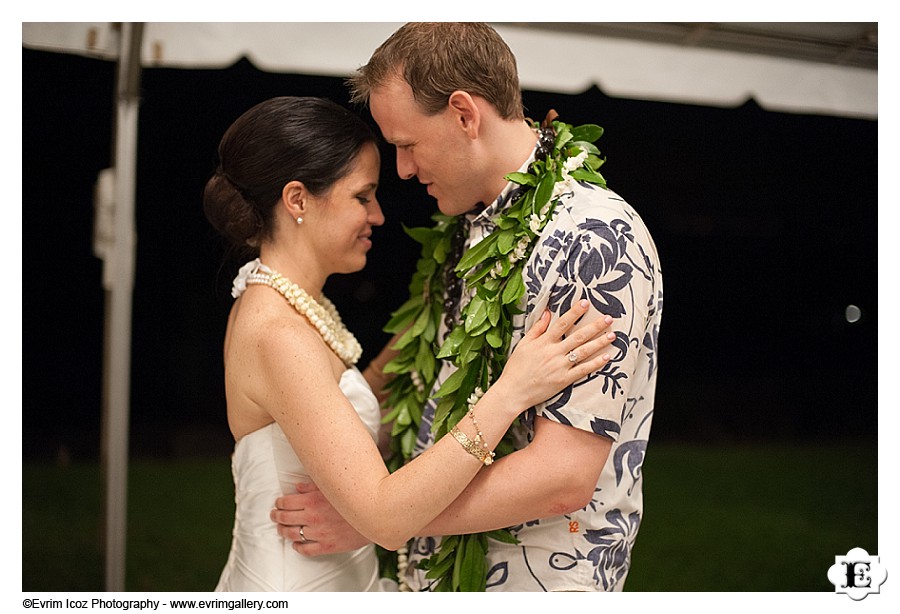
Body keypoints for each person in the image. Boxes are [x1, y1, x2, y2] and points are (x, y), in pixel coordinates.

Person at [271, 23, 664, 592]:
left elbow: (562, 475)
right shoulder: (466, 224)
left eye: (406, 144)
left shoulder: (594, 238)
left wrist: (379, 518)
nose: (402, 170)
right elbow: (426, 369)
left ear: (463, 114)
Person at [203, 95, 618, 591]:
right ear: (297, 200)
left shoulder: (282, 302)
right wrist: (511, 391)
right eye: (362, 196)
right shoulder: (278, 334)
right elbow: (384, 517)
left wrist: (449, 308)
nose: (378, 215)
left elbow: (333, 404)